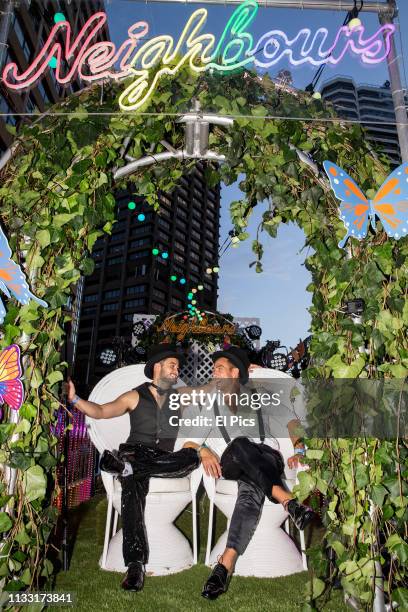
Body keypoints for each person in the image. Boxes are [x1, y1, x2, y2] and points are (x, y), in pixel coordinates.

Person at [180, 346, 315, 601]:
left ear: (234, 373)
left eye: (219, 368)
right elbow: (188, 442)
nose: (214, 373)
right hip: (232, 461)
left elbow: (292, 421)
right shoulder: (212, 406)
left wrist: (300, 449)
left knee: (250, 489)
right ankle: (288, 502)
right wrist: (203, 450)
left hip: (267, 459)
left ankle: (224, 565)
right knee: (241, 444)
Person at [65, 344, 201, 592]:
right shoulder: (134, 395)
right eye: (172, 365)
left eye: (177, 367)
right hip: (135, 451)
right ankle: (135, 565)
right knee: (132, 491)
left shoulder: (181, 395)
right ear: (157, 366)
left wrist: (247, 372)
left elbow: (213, 389)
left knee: (192, 458)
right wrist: (75, 399)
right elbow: (103, 411)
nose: (176, 370)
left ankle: (121, 467)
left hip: (156, 459)